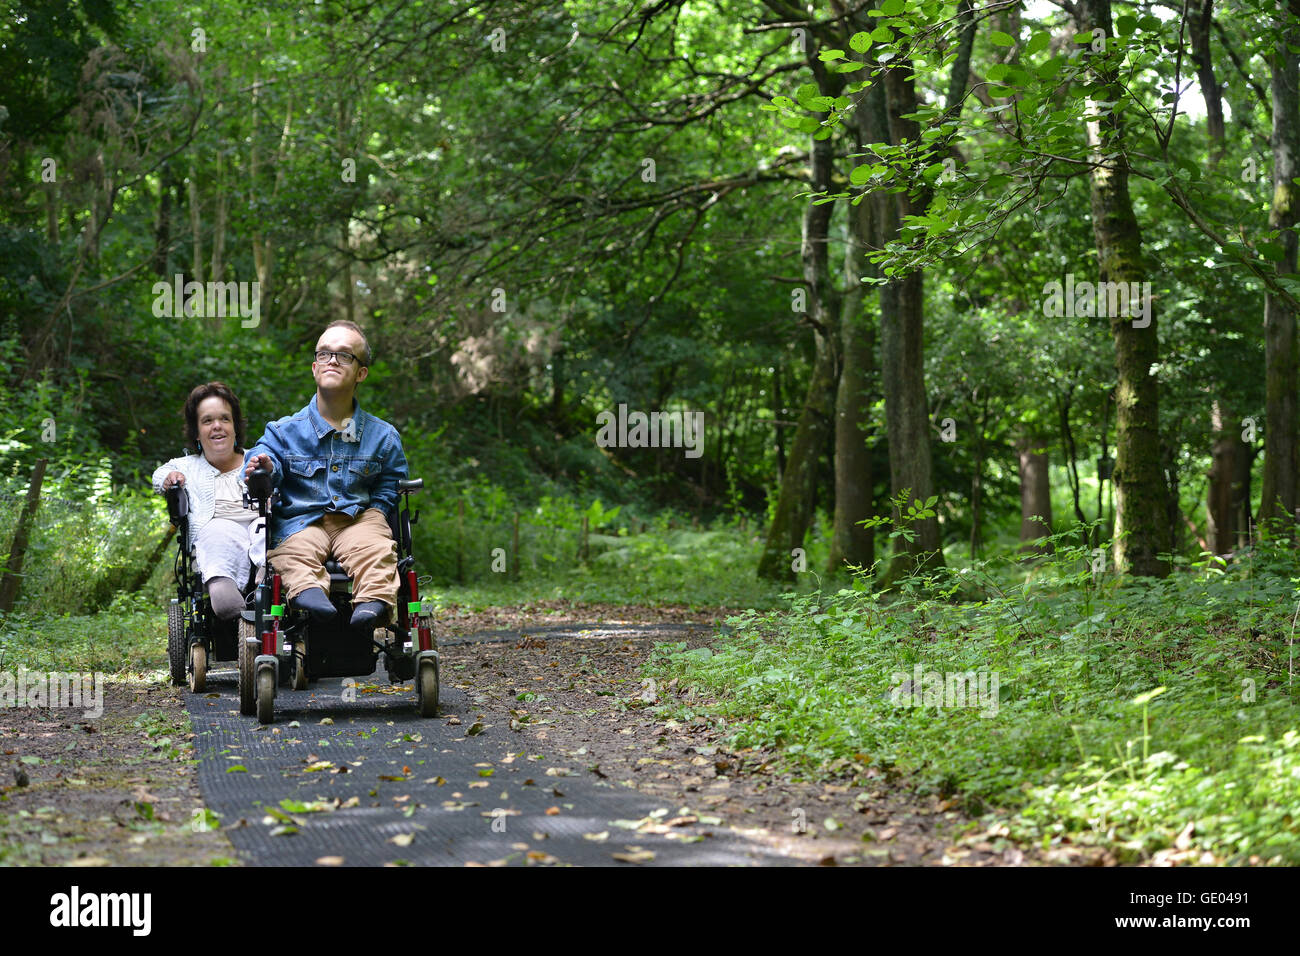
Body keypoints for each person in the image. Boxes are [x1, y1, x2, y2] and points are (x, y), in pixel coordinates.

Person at [244, 320, 408, 630]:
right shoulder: (282, 432)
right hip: (301, 520)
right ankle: (309, 596)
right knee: (292, 551)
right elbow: (263, 462)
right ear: (314, 368)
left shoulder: (383, 437)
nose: (332, 360)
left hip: (358, 518)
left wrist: (378, 512)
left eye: (344, 355)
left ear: (361, 373)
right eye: (324, 354)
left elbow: (391, 482)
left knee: (376, 547)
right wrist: (262, 466)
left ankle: (371, 605)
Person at [151, 382, 265, 621]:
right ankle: (227, 599)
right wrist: (170, 479)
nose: (217, 427)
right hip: (218, 532)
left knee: (267, 531)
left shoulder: (256, 458)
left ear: (235, 426)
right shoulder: (187, 465)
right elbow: (159, 475)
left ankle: (265, 591)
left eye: (225, 419)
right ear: (196, 432)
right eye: (207, 421)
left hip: (261, 526)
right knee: (215, 532)